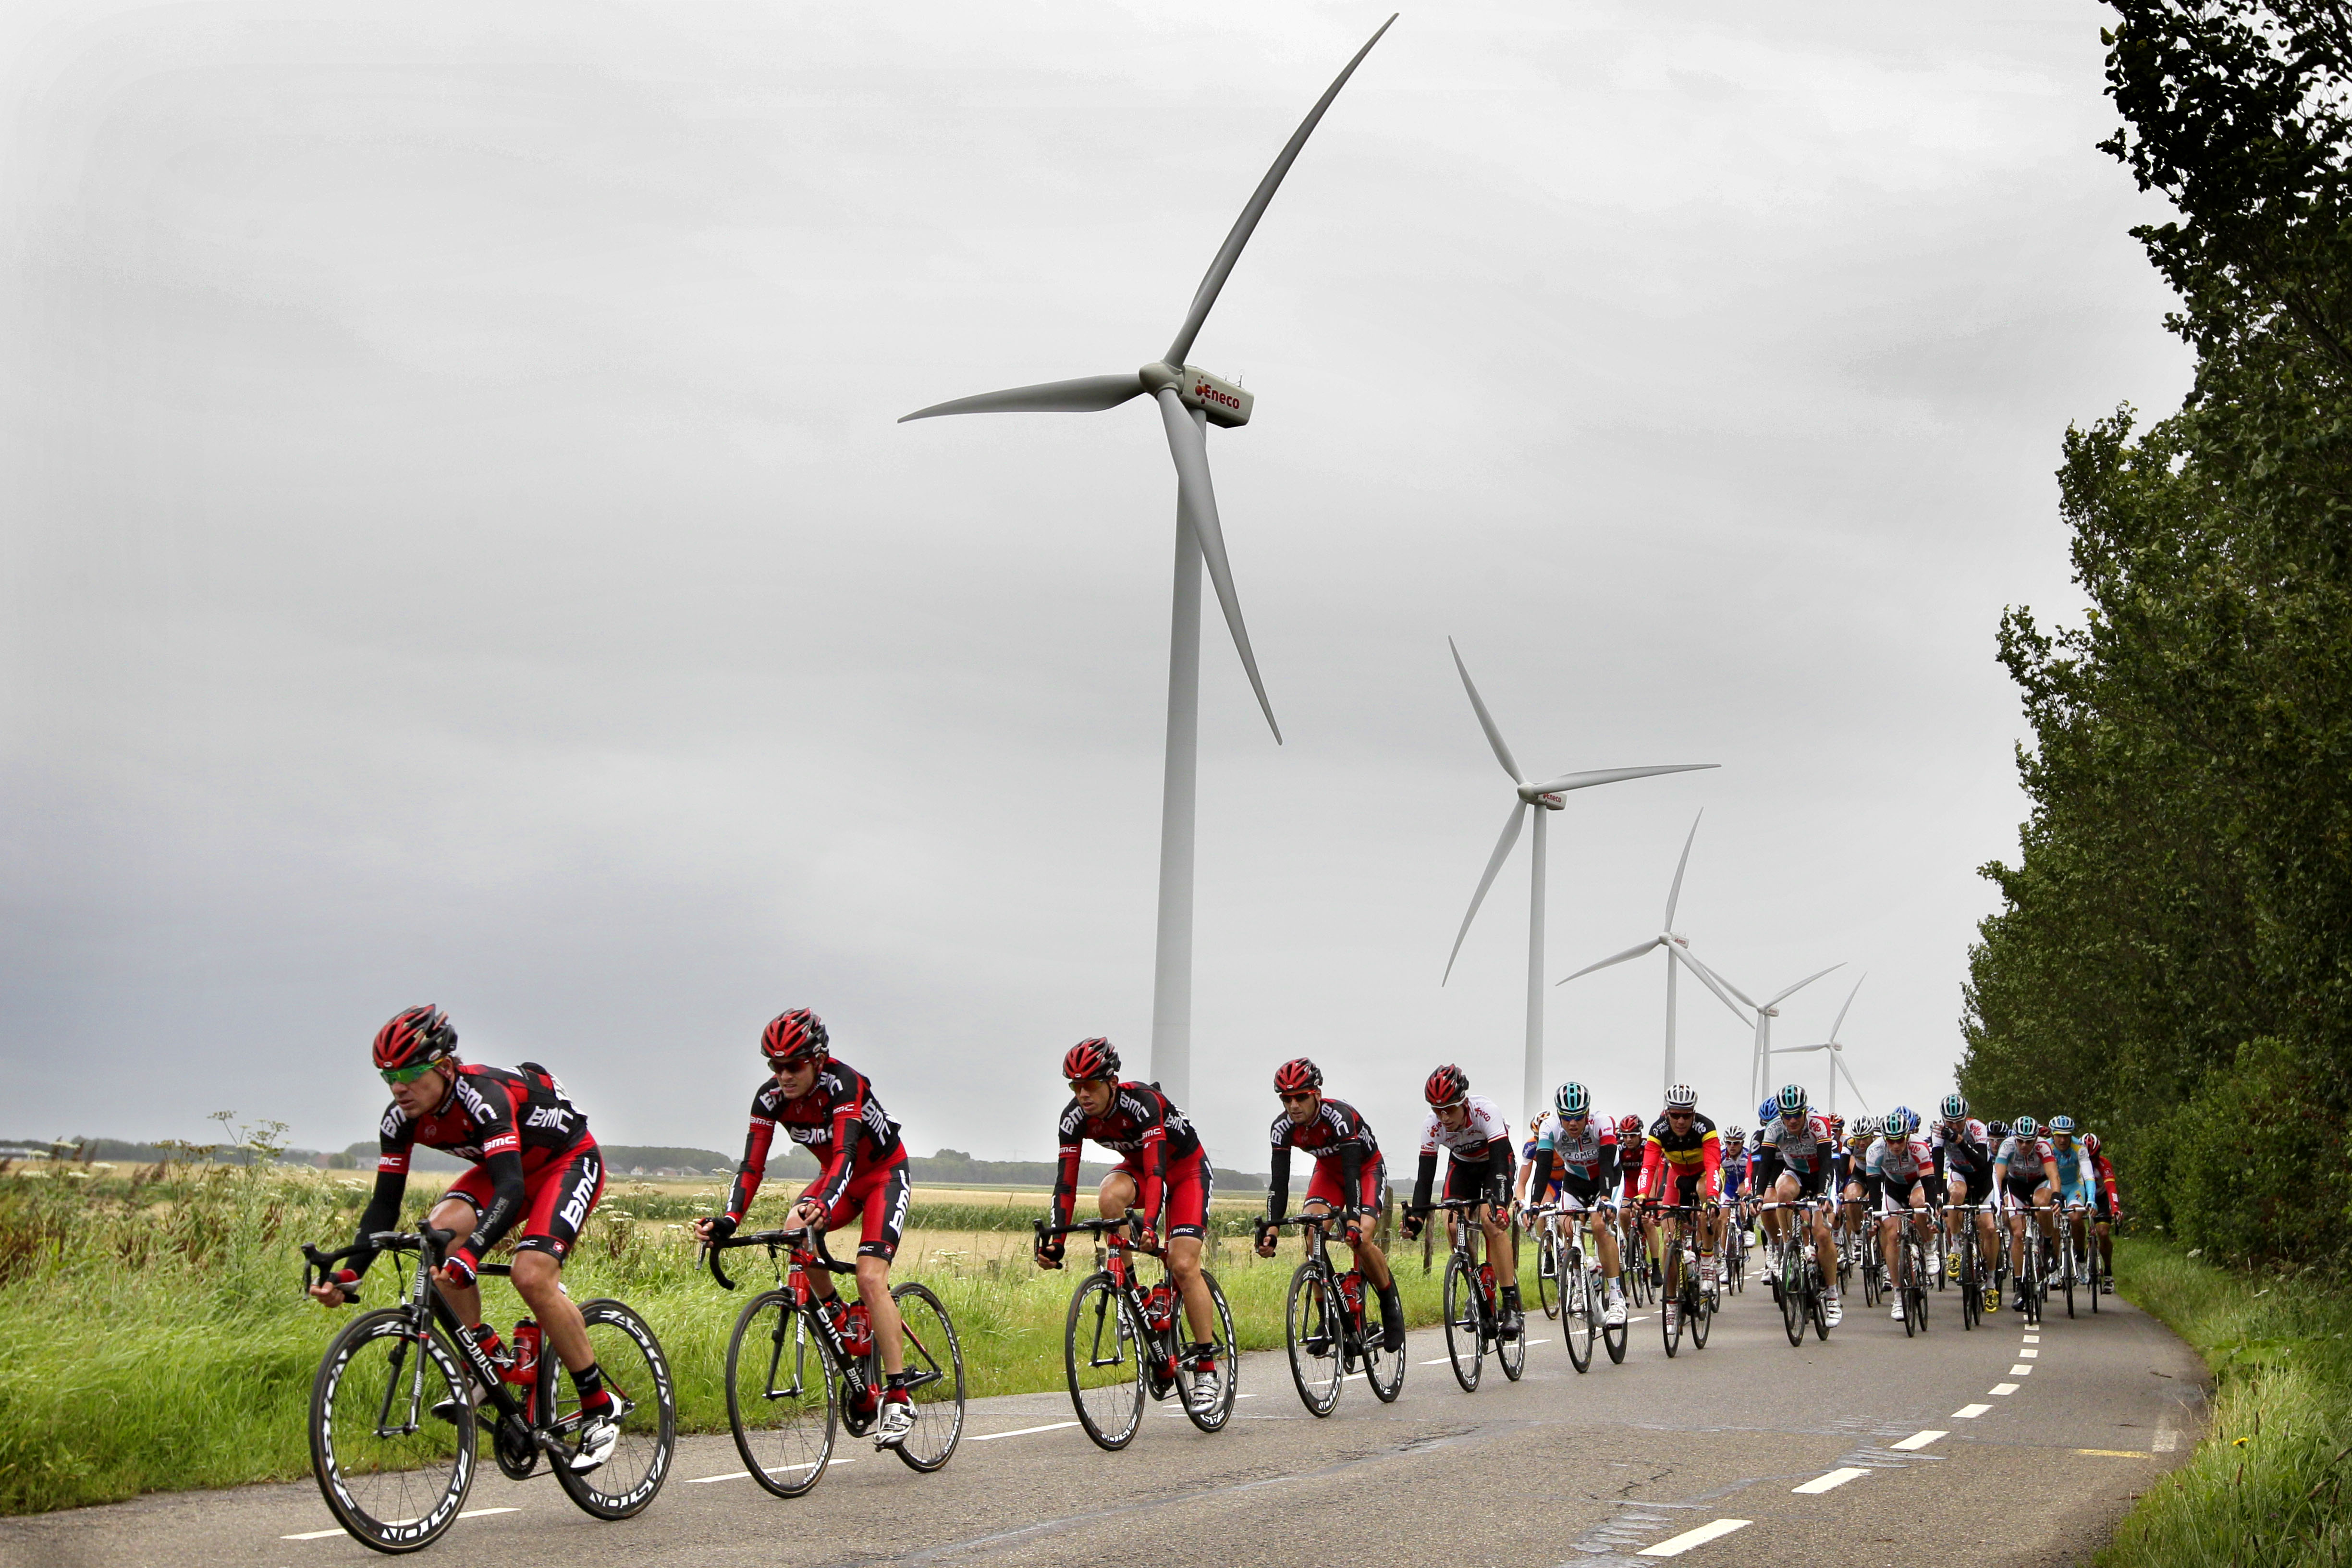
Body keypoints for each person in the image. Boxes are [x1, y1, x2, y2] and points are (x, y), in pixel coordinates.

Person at [311, 1006, 619, 1470]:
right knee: (437, 1236)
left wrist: (474, 1253)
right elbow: (383, 1206)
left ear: (445, 1067)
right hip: (508, 1171)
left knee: (530, 1275)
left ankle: (600, 1405)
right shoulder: (398, 1120)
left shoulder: (484, 1098)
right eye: (388, 1075)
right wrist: (351, 1271)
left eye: (411, 1073)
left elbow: (511, 1186)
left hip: (566, 1163)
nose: (398, 1087)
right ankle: (488, 1357)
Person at [692, 1009, 917, 1446]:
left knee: (871, 1277)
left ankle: (899, 1394)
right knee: (795, 1225)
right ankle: (836, 1313)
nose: (783, 1076)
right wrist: (728, 1220)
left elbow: (846, 1152)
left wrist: (825, 1202)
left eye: (793, 1066)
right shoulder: (770, 1099)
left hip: (882, 1177)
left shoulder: (845, 1084)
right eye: (775, 1066)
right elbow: (752, 1165)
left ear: (818, 1059)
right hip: (840, 1182)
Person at [1033, 1039, 1225, 1415]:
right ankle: (1135, 1295)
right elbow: (1066, 1183)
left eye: (1090, 1085)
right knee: (1108, 1199)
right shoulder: (1073, 1118)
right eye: (1075, 1086)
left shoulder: (1142, 1103)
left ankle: (1206, 1369)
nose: (1083, 1095)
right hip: (1139, 1169)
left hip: (1184, 1171)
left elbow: (1158, 1172)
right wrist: (1056, 1239)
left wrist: (1151, 1226)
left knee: (1183, 1265)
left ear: (1113, 1081)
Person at [1256, 1056, 1404, 1349]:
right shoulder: (1281, 1128)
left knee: (1360, 1238)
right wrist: (1271, 1230)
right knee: (1312, 1233)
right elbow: (1279, 1183)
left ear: (1317, 1095)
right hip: (1327, 1171)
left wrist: (1352, 1220)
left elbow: (1353, 1174)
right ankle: (1327, 1321)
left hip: (1364, 1170)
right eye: (1287, 1099)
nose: (1293, 1105)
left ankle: (1390, 1310)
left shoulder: (1339, 1116)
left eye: (1301, 1097)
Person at [1403, 1064, 1521, 1340]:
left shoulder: (1485, 1111)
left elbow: (1502, 1162)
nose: (1443, 1117)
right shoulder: (1431, 1127)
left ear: (1464, 1102)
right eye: (1436, 1110)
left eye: (1450, 1109)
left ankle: (1510, 1303)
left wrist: (1501, 1206)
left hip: (1496, 1165)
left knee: (1492, 1222)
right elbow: (1424, 1179)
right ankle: (1475, 1292)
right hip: (1463, 1167)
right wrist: (1417, 1219)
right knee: (1453, 1222)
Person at [1521, 1081, 1626, 1326]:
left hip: (1607, 1178)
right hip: (1576, 1180)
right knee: (1567, 1227)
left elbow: (1607, 1163)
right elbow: (1544, 1168)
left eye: (1579, 1117)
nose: (1573, 1123)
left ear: (1588, 1113)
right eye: (1567, 1118)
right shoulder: (1550, 1128)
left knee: (1601, 1227)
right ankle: (1580, 1287)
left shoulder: (1603, 1123)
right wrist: (1535, 1203)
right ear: (1559, 1115)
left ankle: (1617, 1297)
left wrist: (1605, 1198)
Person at [1638, 1083, 1723, 1334]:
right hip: (1677, 1177)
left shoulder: (1706, 1127)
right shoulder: (1659, 1130)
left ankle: (1707, 1259)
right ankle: (1672, 1303)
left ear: (1694, 1114)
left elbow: (1713, 1161)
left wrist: (1713, 1198)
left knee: (1706, 1199)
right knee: (1669, 1240)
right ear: (1668, 1113)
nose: (1681, 1121)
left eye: (1687, 1115)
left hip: (1705, 1175)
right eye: (1676, 1115)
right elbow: (1648, 1167)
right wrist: (1643, 1195)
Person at [1757, 1084, 1843, 1327]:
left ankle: (1833, 1294)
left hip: (1821, 1176)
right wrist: (1756, 1196)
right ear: (1780, 1115)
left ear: (1805, 1111)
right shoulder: (1774, 1129)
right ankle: (1789, 1247)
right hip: (1795, 1173)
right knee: (1781, 1192)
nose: (1792, 1120)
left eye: (1797, 1114)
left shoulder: (1819, 1124)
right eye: (1787, 1115)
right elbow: (1764, 1167)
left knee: (1822, 1233)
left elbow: (1827, 1162)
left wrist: (1824, 1194)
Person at [1931, 1092, 2001, 1314]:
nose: (1954, 1125)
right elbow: (1938, 1165)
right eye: (1949, 1122)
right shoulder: (1939, 1133)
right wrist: (1938, 1198)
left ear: (1966, 1117)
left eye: (1959, 1121)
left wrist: (1959, 1140)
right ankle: (1955, 1248)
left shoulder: (1977, 1129)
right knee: (1956, 1195)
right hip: (1959, 1173)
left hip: (1982, 1178)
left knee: (1989, 1228)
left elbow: (1981, 1162)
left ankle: (1991, 1283)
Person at [1870, 1108, 1935, 1323]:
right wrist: (1876, 1216)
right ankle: (1898, 1294)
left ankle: (1928, 1247)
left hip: (1916, 1184)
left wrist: (1931, 1209)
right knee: (1892, 1234)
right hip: (1893, 1188)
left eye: (1900, 1140)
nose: (1896, 1145)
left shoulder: (1920, 1147)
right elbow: (1874, 1187)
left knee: (1920, 1204)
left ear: (1908, 1137)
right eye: (1891, 1141)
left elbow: (1929, 1181)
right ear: (1884, 1138)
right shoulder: (1875, 1150)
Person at [1993, 1115, 2062, 1312]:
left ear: (2035, 1139)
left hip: (2039, 1183)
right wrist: (1997, 1199)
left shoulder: (2043, 1147)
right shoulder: (2007, 1146)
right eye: (2021, 1141)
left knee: (2042, 1202)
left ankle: (2048, 1243)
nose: (2024, 1145)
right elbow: (1998, 1175)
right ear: (2015, 1138)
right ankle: (2020, 1286)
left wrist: (2057, 1195)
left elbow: (2053, 1174)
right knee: (2018, 1234)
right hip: (2017, 1186)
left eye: (2029, 1141)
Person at [2045, 1116, 2101, 1284]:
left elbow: (2089, 1176)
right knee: (2052, 1220)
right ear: (2053, 1135)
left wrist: (2091, 1199)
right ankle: (2054, 1266)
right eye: (2059, 1136)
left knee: (2076, 1217)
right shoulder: (2046, 1147)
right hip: (2053, 1186)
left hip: (2074, 1187)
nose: (2063, 1140)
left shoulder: (2079, 1147)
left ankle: (2081, 1259)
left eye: (2067, 1136)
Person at [2085, 1132, 2119, 1289]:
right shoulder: (2076, 1164)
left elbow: (2111, 1187)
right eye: (2088, 1158)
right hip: (2082, 1196)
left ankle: (2108, 1272)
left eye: (2094, 1157)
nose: (2091, 1162)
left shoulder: (2104, 1164)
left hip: (2101, 1198)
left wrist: (2116, 1209)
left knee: (2104, 1233)